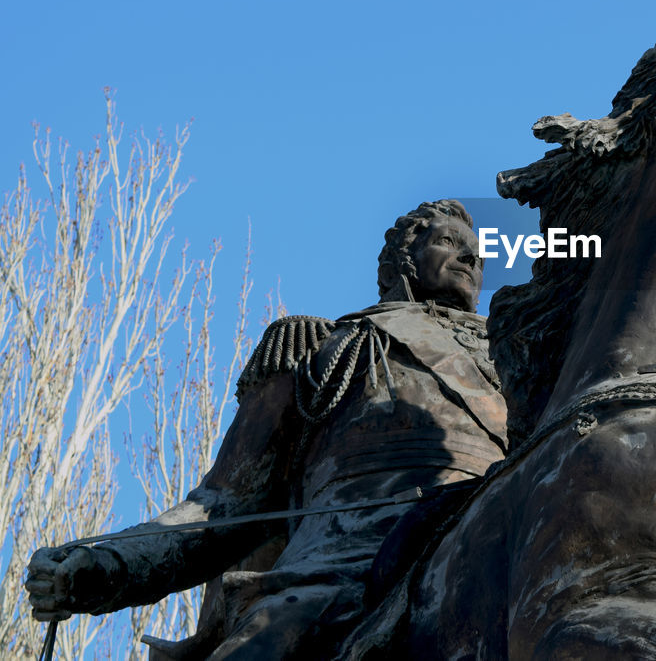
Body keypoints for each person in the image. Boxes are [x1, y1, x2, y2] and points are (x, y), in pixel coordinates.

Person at [26, 200, 507, 659]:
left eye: (479, 254)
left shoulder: (519, 357)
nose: (470, 256)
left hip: (487, 535)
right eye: (450, 241)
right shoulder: (325, 349)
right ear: (406, 256)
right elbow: (223, 503)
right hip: (346, 561)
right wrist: (109, 564)